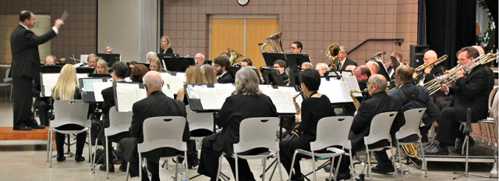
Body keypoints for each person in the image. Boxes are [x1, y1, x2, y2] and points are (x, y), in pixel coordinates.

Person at [198, 67, 278, 181]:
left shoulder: (233, 100)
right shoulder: (266, 99)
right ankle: (246, 178)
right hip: (262, 145)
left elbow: (220, 122)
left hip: (240, 145)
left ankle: (214, 178)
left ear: (239, 83)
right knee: (228, 145)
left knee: (208, 142)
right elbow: (274, 118)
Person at [119, 71, 189, 181]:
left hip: (149, 149)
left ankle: (144, 178)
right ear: (162, 84)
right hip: (174, 148)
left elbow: (134, 133)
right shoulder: (179, 105)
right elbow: (186, 134)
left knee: (125, 143)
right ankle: (155, 177)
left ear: (145, 86)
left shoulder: (140, 105)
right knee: (151, 141)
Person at [426, 47, 494, 155]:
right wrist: (449, 89)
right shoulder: (470, 70)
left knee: (446, 113)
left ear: (471, 59)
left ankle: (442, 147)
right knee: (440, 110)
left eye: (462, 59)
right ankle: (460, 138)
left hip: (474, 109)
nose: (458, 62)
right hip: (466, 105)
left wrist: (460, 79)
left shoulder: (481, 73)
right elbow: (463, 89)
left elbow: (470, 92)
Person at [11, 10, 63, 131]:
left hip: (25, 70)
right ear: (26, 20)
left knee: (27, 98)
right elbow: (40, 39)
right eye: (33, 19)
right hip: (21, 71)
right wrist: (55, 28)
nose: (35, 21)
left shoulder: (22, 32)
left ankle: (29, 121)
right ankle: (19, 123)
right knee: (21, 99)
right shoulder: (23, 33)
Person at [279, 69, 336, 181]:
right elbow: (331, 118)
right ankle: (297, 175)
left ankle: (296, 176)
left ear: (303, 85)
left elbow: (304, 127)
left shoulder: (307, 102)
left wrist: (299, 119)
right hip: (326, 141)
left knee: (282, 146)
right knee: (289, 145)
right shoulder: (325, 99)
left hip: (311, 142)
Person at [348, 74, 405, 175]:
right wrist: (388, 131)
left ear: (374, 87)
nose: (366, 86)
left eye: (368, 84)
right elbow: (401, 121)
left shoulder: (368, 105)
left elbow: (355, 127)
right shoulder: (395, 100)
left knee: (348, 133)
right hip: (386, 138)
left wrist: (356, 116)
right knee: (374, 130)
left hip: (368, 140)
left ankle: (341, 167)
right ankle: (385, 164)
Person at [390, 64, 440, 147]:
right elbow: (435, 112)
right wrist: (422, 124)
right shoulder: (423, 91)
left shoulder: (394, 94)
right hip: (416, 133)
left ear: (399, 78)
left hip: (397, 135)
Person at [97, 62, 130, 172]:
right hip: (129, 126)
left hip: (113, 126)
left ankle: (109, 163)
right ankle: (125, 164)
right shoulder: (133, 89)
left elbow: (106, 110)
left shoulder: (106, 92)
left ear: (114, 73)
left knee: (103, 135)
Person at [51, 64, 87, 162]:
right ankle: (78, 155)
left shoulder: (55, 90)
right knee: (83, 130)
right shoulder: (79, 90)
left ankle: (60, 155)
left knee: (59, 130)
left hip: (60, 125)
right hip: (78, 124)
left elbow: (52, 106)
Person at [176, 66, 208, 168]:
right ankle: (192, 156)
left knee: (185, 121)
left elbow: (178, 110)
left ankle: (188, 154)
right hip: (208, 129)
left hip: (188, 130)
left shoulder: (183, 91)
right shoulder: (208, 91)